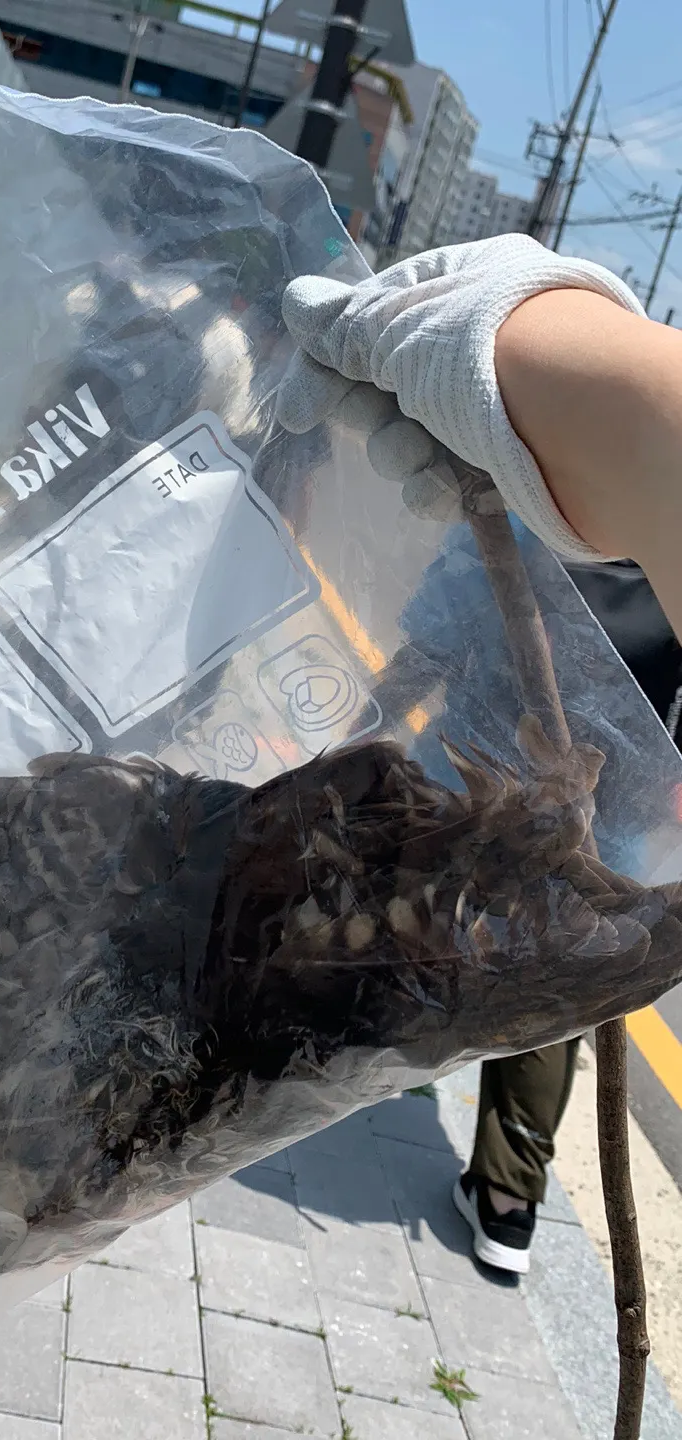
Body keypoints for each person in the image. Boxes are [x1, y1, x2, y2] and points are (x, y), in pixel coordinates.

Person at [275, 232, 682, 1275]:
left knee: (413, 903)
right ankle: (508, 1192)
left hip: (469, 777)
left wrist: (366, 721)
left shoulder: (525, 506)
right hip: (611, 805)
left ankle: (370, 1034)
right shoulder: (637, 532)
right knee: (548, 978)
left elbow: (436, 633)